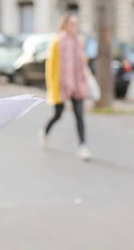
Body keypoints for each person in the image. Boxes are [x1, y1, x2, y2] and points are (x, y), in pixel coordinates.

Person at [40, 12, 92, 161]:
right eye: (72, 24)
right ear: (65, 25)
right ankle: (45, 131)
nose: (75, 27)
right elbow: (52, 68)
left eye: (76, 24)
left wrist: (85, 82)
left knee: (79, 116)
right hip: (61, 86)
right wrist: (53, 88)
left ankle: (83, 146)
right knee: (58, 114)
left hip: (77, 86)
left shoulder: (79, 42)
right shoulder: (57, 42)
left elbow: (82, 65)